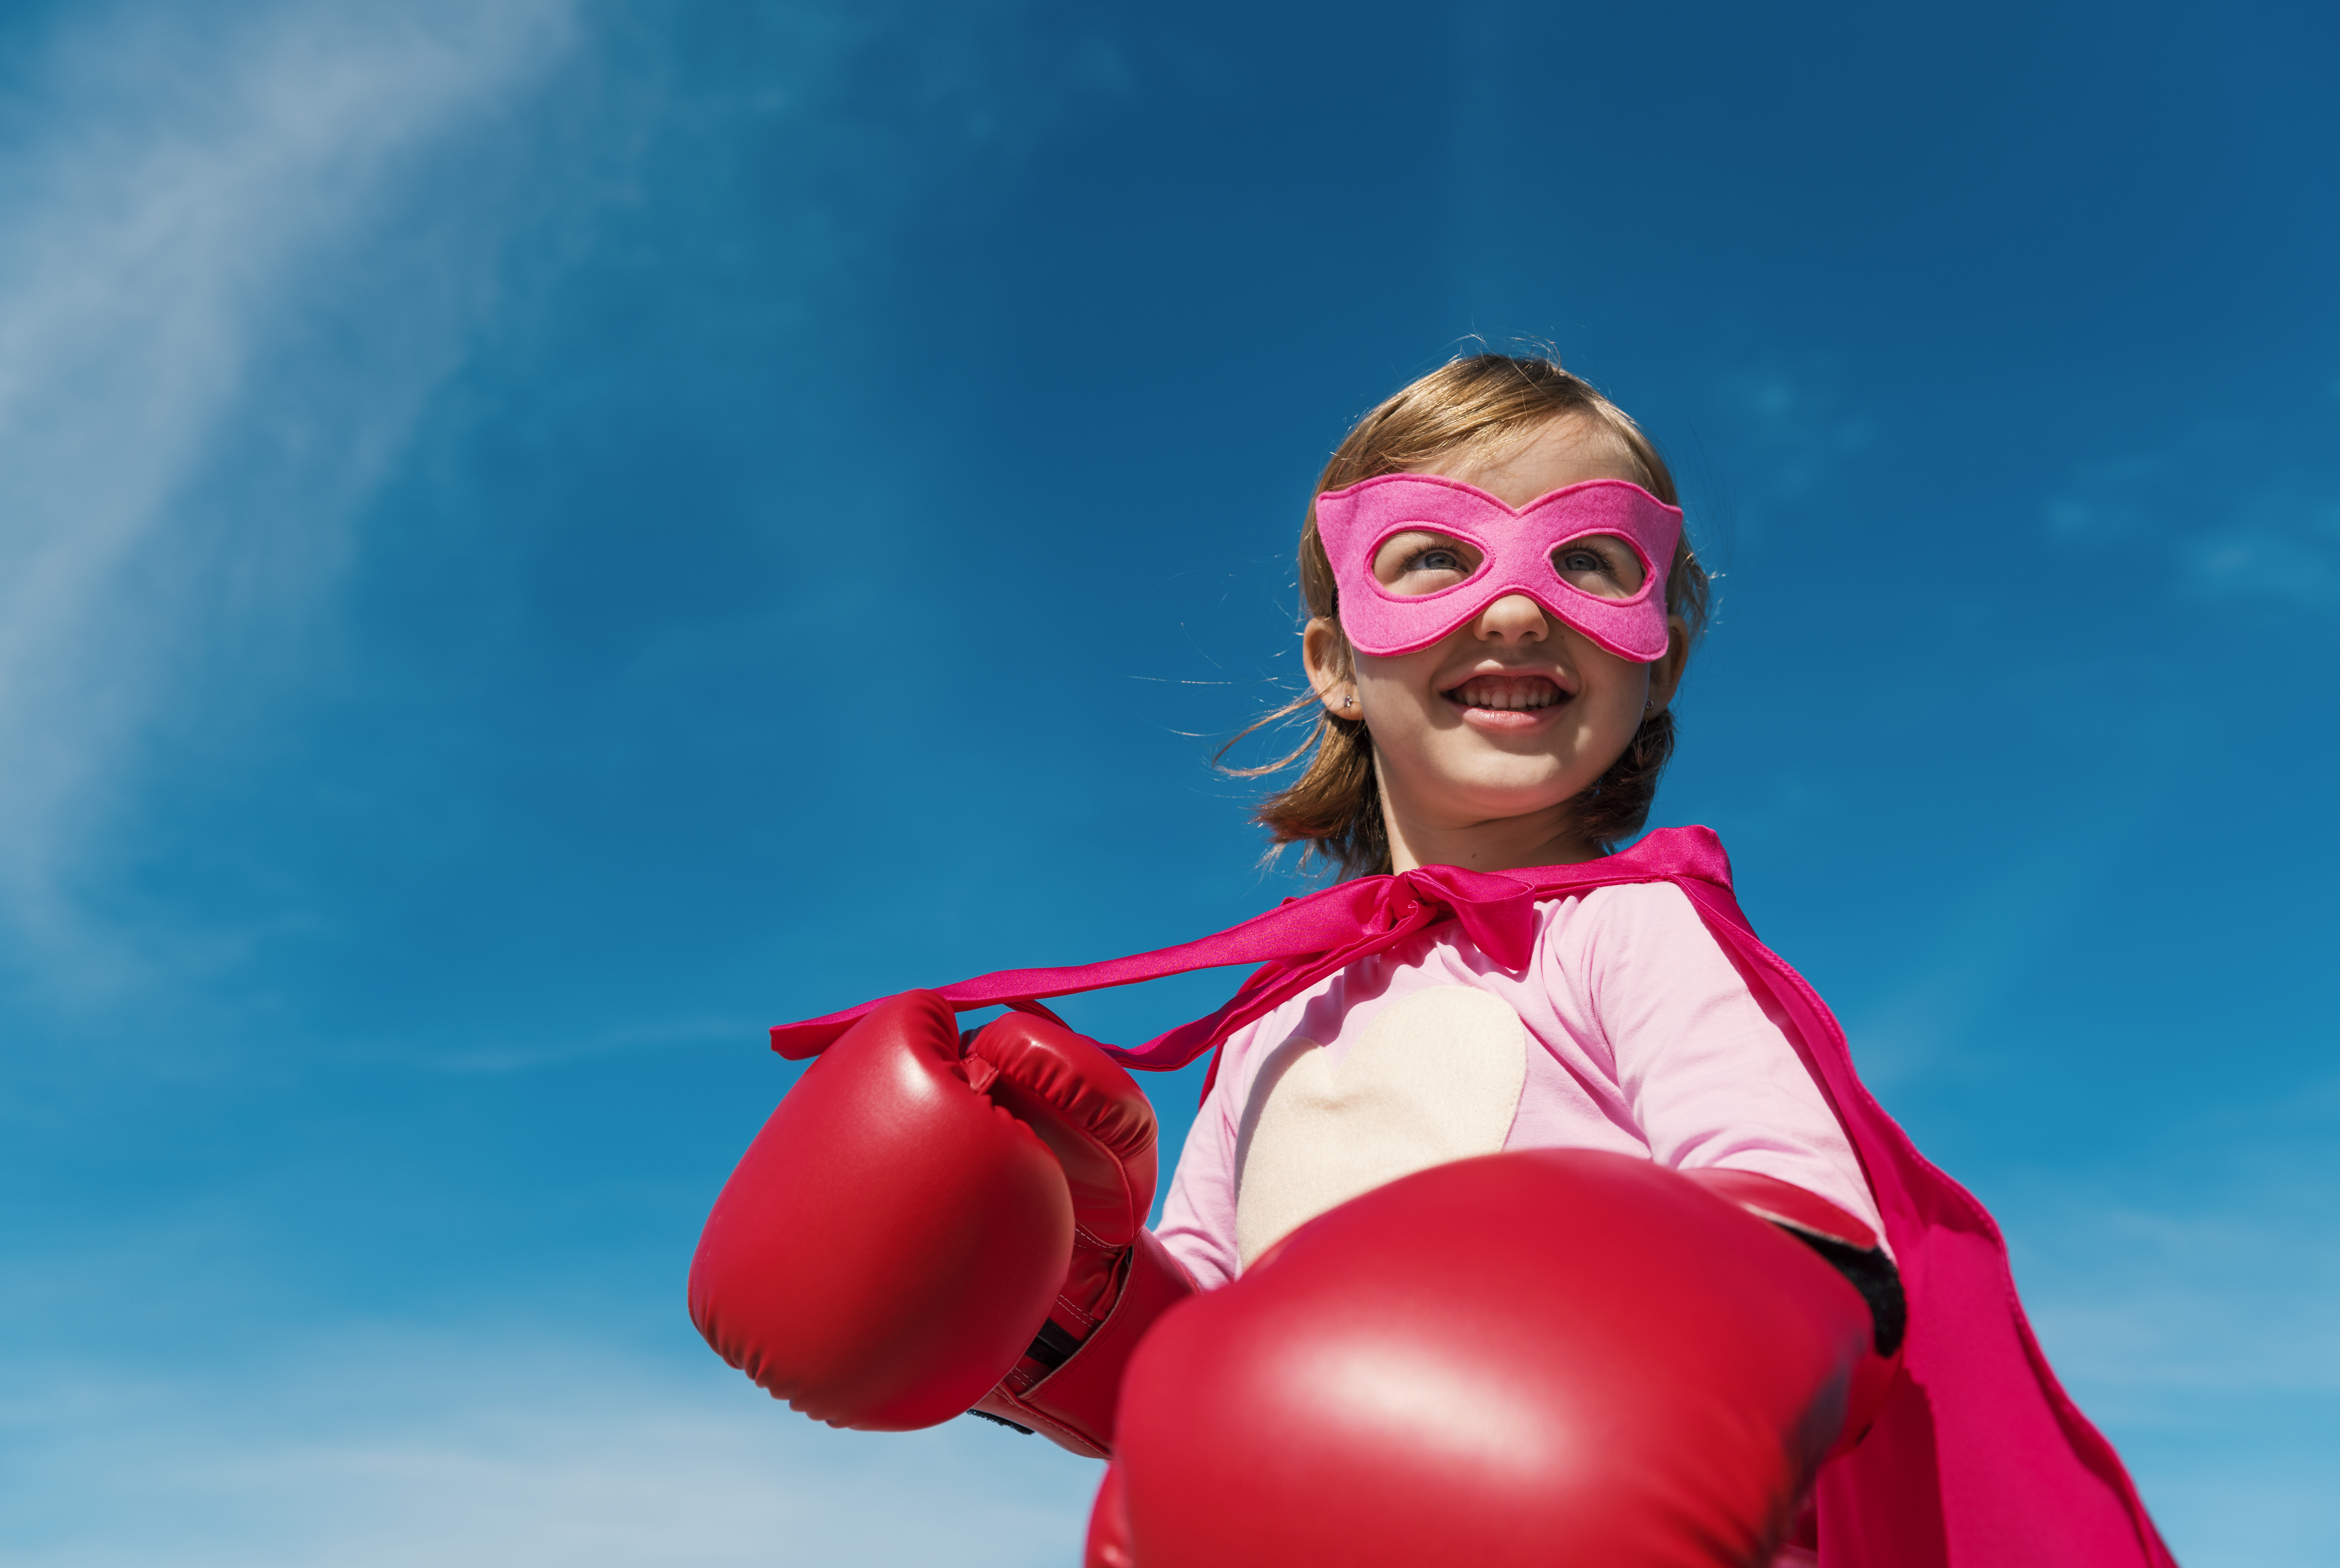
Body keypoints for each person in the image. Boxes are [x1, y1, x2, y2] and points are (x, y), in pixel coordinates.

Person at [689, 353, 2176, 1567]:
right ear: (1337, 661)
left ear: (1654, 647)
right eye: (1433, 560)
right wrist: (1058, 1281)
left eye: (1591, 559)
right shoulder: (1276, 1023)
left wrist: (1604, 1401)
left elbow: (1821, 1255)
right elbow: (1189, 1377)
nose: (1517, 603)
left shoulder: (1622, 933)